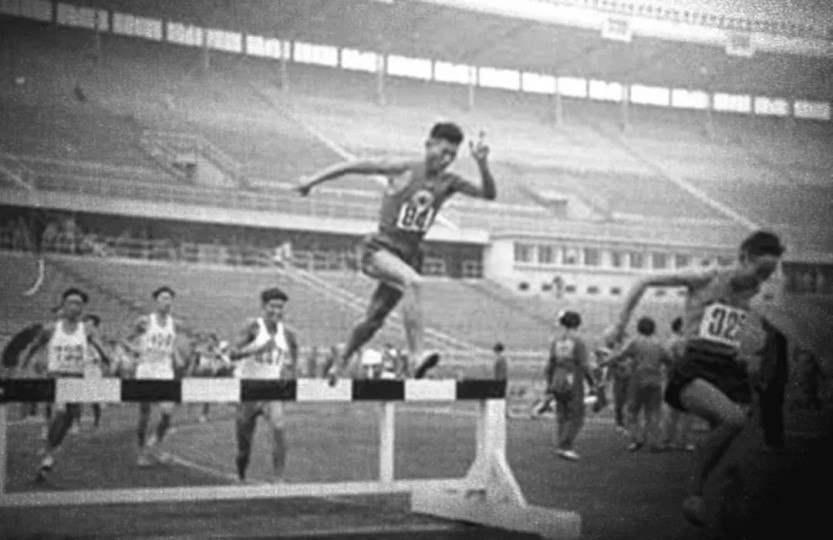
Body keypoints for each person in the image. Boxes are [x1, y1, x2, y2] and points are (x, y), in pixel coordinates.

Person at [608, 230, 785, 527]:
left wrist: (752, 353)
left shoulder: (754, 291)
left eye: (768, 276)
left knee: (737, 455)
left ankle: (728, 510)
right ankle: (694, 491)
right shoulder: (705, 278)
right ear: (743, 258)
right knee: (733, 420)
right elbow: (644, 280)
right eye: (759, 272)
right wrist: (619, 324)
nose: (761, 281)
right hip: (695, 369)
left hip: (729, 370)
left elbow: (744, 328)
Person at [297, 122, 496, 380]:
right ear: (429, 145)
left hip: (408, 257)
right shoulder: (403, 169)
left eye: (452, 155)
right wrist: (312, 181)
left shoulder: (449, 182)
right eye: (443, 151)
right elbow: (355, 166)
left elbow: (488, 194)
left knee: (373, 321)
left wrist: (482, 164)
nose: (446, 159)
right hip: (379, 250)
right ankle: (416, 356)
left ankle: (342, 359)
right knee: (414, 282)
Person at [17, 288, 111, 482]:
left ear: (83, 308)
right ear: (63, 305)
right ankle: (48, 452)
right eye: (70, 302)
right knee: (60, 411)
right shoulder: (51, 328)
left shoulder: (87, 330)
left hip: (76, 377)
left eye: (78, 303)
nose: (74, 306)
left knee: (68, 419)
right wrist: (24, 367)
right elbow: (34, 347)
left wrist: (106, 359)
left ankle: (49, 451)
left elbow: (102, 349)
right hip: (56, 376)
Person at [229, 287, 299, 482]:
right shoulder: (252, 327)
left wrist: (290, 372)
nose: (276, 311)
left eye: (280, 307)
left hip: (272, 391)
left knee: (279, 426)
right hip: (248, 391)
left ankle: (278, 478)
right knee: (244, 444)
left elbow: (294, 354)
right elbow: (232, 354)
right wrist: (255, 349)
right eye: (272, 306)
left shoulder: (288, 333)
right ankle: (241, 473)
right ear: (263, 306)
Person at [123, 286, 186, 467]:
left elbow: (171, 343)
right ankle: (141, 452)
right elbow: (126, 340)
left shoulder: (175, 323)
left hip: (165, 370)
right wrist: (136, 351)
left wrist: (175, 354)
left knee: (167, 412)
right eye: (163, 298)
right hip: (146, 369)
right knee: (145, 413)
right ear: (155, 301)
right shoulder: (145, 321)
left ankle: (156, 444)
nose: (167, 302)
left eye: (170, 299)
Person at [545, 311, 600, 461]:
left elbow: (550, 365)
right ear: (577, 324)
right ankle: (566, 446)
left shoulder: (556, 341)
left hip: (557, 378)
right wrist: (593, 383)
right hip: (572, 379)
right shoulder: (578, 342)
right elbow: (585, 365)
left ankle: (560, 444)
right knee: (576, 415)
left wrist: (549, 384)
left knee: (562, 414)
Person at [617, 317, 672, 452]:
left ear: (638, 328)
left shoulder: (635, 342)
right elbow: (669, 361)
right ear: (654, 329)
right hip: (655, 381)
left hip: (637, 380)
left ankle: (636, 440)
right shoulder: (659, 344)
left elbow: (621, 355)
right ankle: (655, 442)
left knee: (633, 411)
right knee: (654, 412)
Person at [662, 317, 696, 451]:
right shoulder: (680, 341)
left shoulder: (669, 341)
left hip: (671, 377)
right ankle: (683, 441)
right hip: (681, 377)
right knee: (685, 410)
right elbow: (683, 359)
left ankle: (668, 439)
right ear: (680, 327)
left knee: (671, 410)